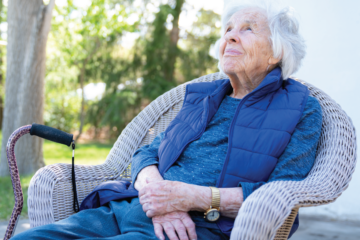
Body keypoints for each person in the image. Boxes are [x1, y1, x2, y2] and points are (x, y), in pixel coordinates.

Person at [13, 2, 322, 240]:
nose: (230, 36)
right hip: (127, 208)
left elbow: (282, 194)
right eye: (228, 29)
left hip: (190, 228)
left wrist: (188, 198)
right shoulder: (204, 98)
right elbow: (147, 153)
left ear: (276, 54)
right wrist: (158, 197)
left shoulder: (300, 109)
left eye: (247, 29)